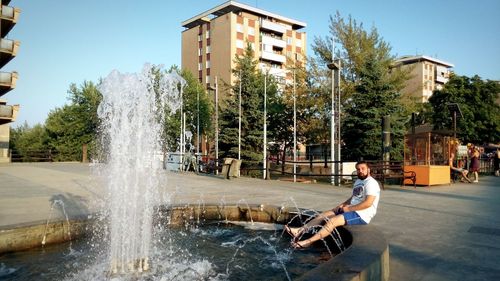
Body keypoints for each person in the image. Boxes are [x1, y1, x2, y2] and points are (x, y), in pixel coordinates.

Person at [285, 161, 380, 249]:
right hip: (351, 209)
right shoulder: (358, 181)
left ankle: (308, 242)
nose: (360, 171)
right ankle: (299, 231)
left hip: (362, 214)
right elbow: (354, 197)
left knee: (332, 221)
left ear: (368, 169)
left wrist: (349, 209)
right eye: (358, 169)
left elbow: (368, 203)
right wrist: (342, 205)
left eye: (363, 168)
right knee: (323, 215)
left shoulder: (371, 183)